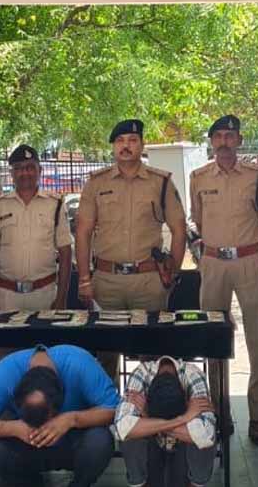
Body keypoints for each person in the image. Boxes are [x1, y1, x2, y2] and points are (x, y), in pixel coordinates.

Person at [75, 119, 187, 378]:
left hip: (148, 282)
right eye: (120, 141)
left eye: (132, 140)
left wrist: (172, 272)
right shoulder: (96, 183)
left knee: (152, 356)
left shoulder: (160, 182)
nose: (126, 146)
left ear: (142, 145)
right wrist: (84, 279)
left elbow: (179, 229)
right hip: (107, 282)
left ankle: (148, 402)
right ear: (113, 146)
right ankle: (109, 403)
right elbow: (82, 231)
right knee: (105, 357)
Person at [189, 115, 258, 444]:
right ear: (211, 142)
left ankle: (257, 417)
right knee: (212, 338)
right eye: (218, 136)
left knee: (257, 339)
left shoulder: (256, 175)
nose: (224, 142)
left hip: (249, 260)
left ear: (239, 140)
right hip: (213, 263)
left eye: (229, 136)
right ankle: (219, 412)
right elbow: (198, 219)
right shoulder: (198, 177)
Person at [0, 344, 119, 487]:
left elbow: (115, 410)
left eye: (46, 418)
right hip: (28, 444)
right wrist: (15, 428)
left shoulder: (79, 364)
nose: (43, 426)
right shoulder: (7, 371)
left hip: (72, 442)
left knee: (100, 441)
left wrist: (72, 419)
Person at [113, 356, 217, 487]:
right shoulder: (142, 374)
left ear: (185, 397)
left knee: (203, 438)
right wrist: (182, 419)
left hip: (182, 462)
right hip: (153, 458)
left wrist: (149, 419)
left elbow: (207, 434)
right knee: (130, 436)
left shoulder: (193, 375)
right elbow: (121, 428)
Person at [0, 144, 73, 314]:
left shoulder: (55, 204)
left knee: (44, 333)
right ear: (11, 173)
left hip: (45, 295)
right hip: (6, 296)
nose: (24, 173)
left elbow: (65, 252)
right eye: (18, 168)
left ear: (40, 170)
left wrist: (61, 298)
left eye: (30, 167)